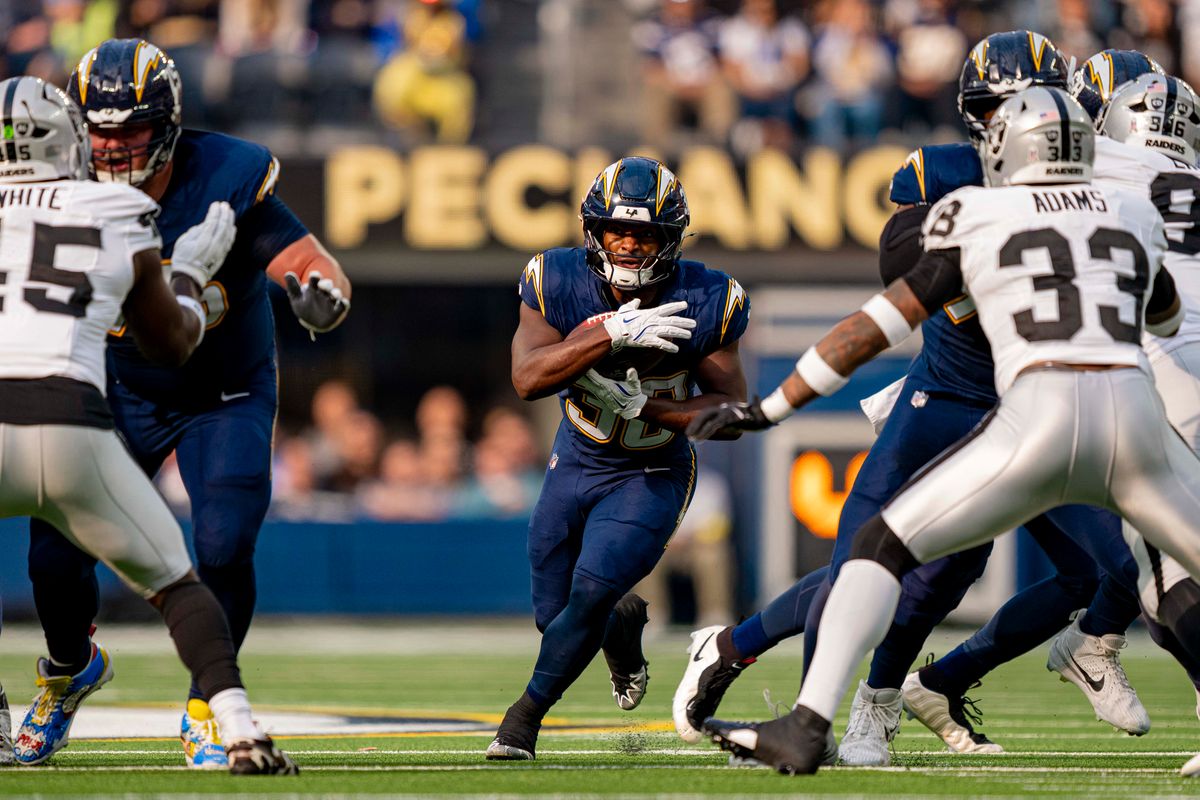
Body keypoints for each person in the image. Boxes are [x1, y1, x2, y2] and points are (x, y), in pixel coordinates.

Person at [693, 85, 1200, 777]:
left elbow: (875, 325)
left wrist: (769, 408)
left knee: (881, 546)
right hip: (1136, 421)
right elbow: (1167, 320)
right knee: (1165, 579)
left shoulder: (976, 211)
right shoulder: (1133, 208)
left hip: (1037, 415)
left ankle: (806, 725)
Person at [18, 38, 352, 770]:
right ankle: (71, 669)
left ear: (166, 122)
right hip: (114, 385)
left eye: (130, 128)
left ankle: (208, 706)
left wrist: (322, 299)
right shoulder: (56, 178)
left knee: (225, 541)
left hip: (220, 387)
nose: (110, 145)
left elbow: (304, 259)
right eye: (99, 128)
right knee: (53, 557)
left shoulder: (223, 174)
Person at [902, 63, 1200, 751]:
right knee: (928, 564)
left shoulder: (1096, 174)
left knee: (1110, 569)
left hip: (1087, 381)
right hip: (1022, 389)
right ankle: (867, 694)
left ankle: (958, 675)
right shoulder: (1067, 177)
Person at [486, 155, 752, 761]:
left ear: (671, 239)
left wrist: (649, 409)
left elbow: (733, 412)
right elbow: (527, 379)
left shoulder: (708, 297)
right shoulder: (554, 279)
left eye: (645, 234)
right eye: (617, 231)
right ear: (592, 232)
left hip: (650, 470)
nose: (629, 245)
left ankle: (522, 720)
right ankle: (622, 630)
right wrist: (608, 334)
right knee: (553, 614)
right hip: (577, 457)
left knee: (587, 594)